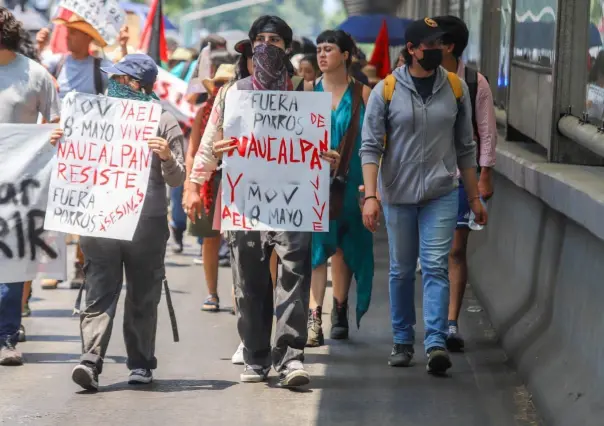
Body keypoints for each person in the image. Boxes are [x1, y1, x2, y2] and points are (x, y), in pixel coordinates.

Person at [195, 15, 340, 388]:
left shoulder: (305, 100)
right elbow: (211, 144)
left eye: (274, 40)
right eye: (259, 39)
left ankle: (290, 356)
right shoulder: (232, 94)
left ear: (287, 48)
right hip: (246, 201)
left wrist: (328, 159)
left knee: (294, 273)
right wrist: (197, 180)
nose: (265, 46)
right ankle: (257, 354)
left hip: (293, 201)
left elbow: (316, 151)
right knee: (250, 279)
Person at [49, 54, 185, 391]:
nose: (112, 83)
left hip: (146, 224)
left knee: (143, 294)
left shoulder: (164, 121)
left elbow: (177, 177)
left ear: (137, 84)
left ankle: (140, 363)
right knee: (98, 290)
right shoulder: (91, 115)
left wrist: (166, 156)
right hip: (100, 221)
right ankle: (90, 360)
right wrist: (61, 143)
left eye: (120, 79)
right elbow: (75, 161)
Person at [359, 18, 487, 375]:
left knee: (434, 265)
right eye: (429, 45)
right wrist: (372, 196)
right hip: (397, 193)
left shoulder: (457, 88)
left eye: (441, 44)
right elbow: (369, 148)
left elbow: (466, 147)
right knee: (401, 270)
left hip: (441, 192)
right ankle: (402, 340)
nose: (438, 50)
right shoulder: (387, 90)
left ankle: (434, 343)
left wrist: (474, 199)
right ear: (412, 49)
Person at [36, 16, 128, 290]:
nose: (70, 37)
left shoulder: (99, 68)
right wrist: (39, 48)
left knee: (84, 210)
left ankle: (80, 265)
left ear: (88, 38)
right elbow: (36, 74)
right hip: (57, 148)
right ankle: (54, 268)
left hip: (88, 154)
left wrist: (122, 48)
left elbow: (123, 80)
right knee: (54, 209)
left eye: (76, 33)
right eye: (69, 32)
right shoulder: (57, 63)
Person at [305, 30, 373, 348]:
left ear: (345, 55)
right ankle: (315, 316)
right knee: (317, 250)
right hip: (314, 183)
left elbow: (375, 146)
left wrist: (372, 190)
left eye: (328, 49)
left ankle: (340, 308)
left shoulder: (364, 94)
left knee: (345, 248)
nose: (321, 54)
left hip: (352, 182)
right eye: (319, 49)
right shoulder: (306, 91)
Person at [0, 7, 60, 366]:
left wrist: (53, 136)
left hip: (18, 186)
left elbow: (56, 121)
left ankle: (6, 336)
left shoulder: (35, 75)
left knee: (9, 262)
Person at [433, 15, 496, 352]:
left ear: (449, 45)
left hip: (461, 177)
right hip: (425, 178)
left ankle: (451, 323)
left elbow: (486, 132)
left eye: (433, 40)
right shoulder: (419, 78)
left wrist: (485, 173)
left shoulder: (474, 82)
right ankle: (432, 322)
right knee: (432, 254)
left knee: (456, 250)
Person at [186, 62, 236, 312]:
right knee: (210, 238)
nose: (221, 88)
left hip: (238, 177)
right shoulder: (203, 113)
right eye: (217, 83)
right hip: (210, 180)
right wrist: (190, 186)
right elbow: (193, 151)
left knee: (240, 238)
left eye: (226, 83)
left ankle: (239, 293)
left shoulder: (243, 109)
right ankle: (212, 293)